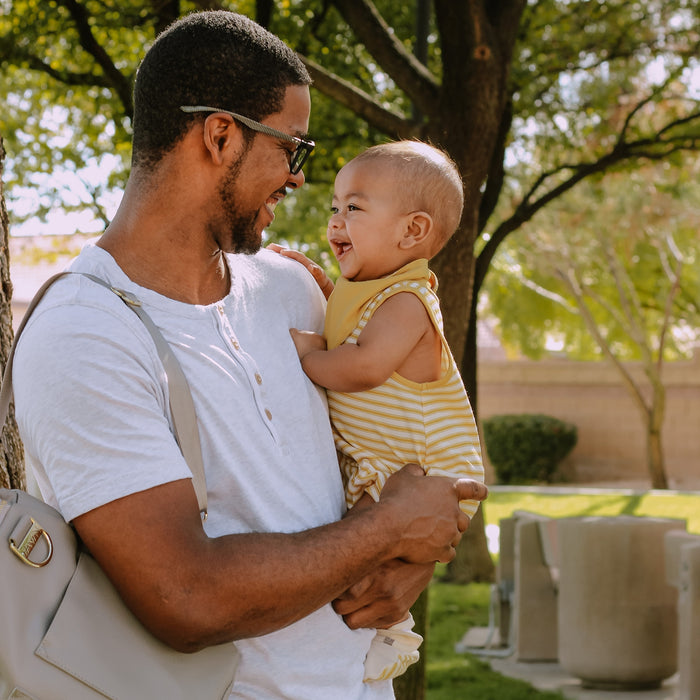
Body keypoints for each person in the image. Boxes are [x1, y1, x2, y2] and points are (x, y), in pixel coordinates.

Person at [11, 11, 487, 700]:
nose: (298, 180)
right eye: (292, 149)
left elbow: (391, 448)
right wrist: (387, 529)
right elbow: (185, 595)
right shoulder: (85, 334)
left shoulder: (293, 290)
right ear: (221, 135)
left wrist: (413, 554)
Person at [285, 141, 485, 682]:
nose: (335, 220)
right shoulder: (366, 291)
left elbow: (365, 366)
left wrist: (309, 356)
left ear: (412, 232)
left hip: (419, 468)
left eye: (354, 207)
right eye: (334, 207)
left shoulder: (407, 301)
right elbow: (346, 322)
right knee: (355, 552)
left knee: (364, 556)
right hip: (383, 462)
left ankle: (391, 640)